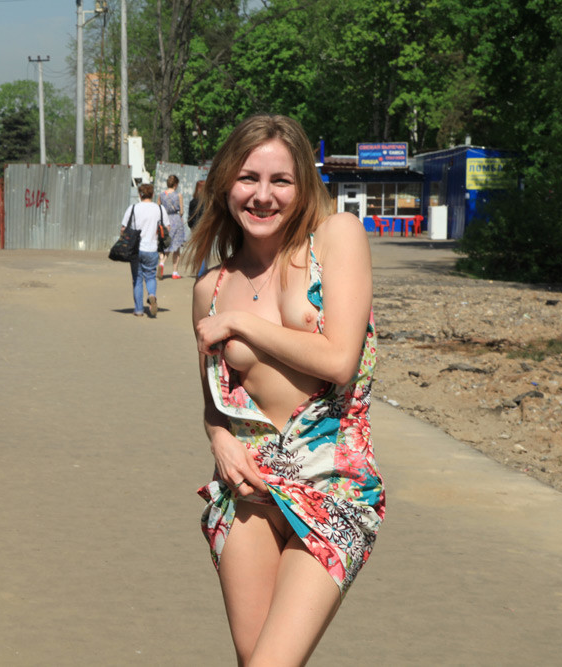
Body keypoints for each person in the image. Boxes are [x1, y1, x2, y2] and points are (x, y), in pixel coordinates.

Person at [185, 114, 384, 665]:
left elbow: (340, 361)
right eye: (249, 178)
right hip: (249, 492)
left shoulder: (335, 237)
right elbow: (215, 403)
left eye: (281, 181)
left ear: (304, 188)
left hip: (333, 486)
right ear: (226, 183)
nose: (263, 195)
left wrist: (243, 325)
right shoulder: (211, 288)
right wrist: (219, 441)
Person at [120, 183, 169, 317]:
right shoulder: (159, 209)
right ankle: (152, 295)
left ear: (140, 194)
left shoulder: (133, 208)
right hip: (152, 248)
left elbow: (123, 228)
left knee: (137, 279)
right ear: (152, 194)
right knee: (150, 276)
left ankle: (139, 310)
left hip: (136, 249)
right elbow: (167, 228)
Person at [157, 174, 185, 279]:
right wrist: (180, 213)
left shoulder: (161, 195)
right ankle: (175, 272)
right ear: (175, 184)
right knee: (176, 247)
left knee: (165, 245)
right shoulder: (179, 195)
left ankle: (162, 262)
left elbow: (158, 208)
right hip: (176, 220)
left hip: (165, 221)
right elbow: (181, 211)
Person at [188, 179, 207, 277]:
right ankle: (202, 272)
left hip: (195, 228)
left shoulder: (193, 202)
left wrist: (191, 227)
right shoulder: (208, 202)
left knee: (198, 250)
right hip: (205, 228)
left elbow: (190, 218)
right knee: (204, 250)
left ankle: (200, 270)